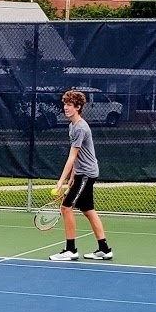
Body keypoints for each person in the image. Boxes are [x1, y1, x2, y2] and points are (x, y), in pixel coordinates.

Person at [50, 90, 113, 262]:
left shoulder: (80, 128)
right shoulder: (72, 125)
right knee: (88, 210)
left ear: (78, 107)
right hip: (83, 173)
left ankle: (70, 250)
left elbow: (72, 156)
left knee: (66, 207)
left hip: (87, 174)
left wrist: (60, 182)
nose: (66, 108)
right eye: (65, 105)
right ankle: (104, 249)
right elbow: (78, 156)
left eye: (70, 105)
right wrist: (72, 177)